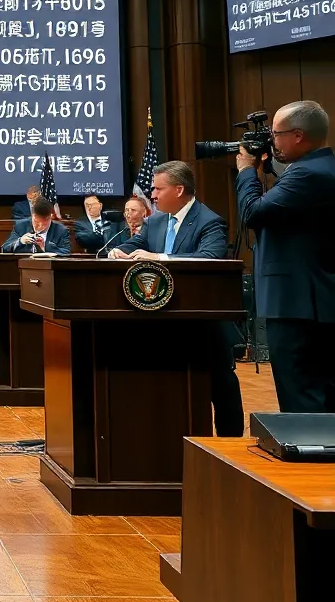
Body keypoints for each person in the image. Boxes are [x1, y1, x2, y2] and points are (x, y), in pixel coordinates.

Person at [110, 160, 243, 437]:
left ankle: (231, 444)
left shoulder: (209, 221)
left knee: (220, 383)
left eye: (158, 189)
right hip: (160, 318)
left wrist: (160, 258)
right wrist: (117, 252)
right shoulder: (156, 220)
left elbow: (210, 258)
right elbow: (135, 245)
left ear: (179, 189)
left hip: (203, 322)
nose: (153, 195)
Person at [237, 100, 335, 413]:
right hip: (309, 303)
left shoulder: (308, 175)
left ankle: (309, 460)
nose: (271, 141)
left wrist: (245, 171)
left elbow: (253, 212)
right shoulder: (319, 168)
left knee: (301, 399)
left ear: (297, 136)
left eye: (276, 134)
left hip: (299, 307)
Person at [1, 196, 71, 255]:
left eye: (43, 223)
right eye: (36, 222)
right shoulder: (21, 227)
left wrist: (44, 248)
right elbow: (4, 249)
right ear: (32, 216)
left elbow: (66, 252)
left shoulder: (61, 230)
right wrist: (20, 241)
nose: (39, 227)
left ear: (50, 217)